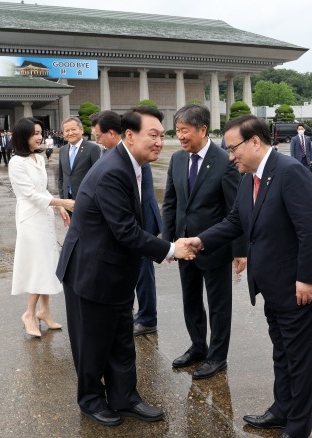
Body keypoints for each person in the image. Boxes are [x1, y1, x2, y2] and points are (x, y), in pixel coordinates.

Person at [187, 115, 312, 438]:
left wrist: (308, 278)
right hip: (274, 287)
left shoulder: (290, 172)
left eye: (233, 148)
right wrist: (200, 240)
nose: (230, 156)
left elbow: (311, 229)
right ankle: (281, 409)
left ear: (255, 141)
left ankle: (297, 429)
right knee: (282, 354)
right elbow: (234, 223)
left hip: (301, 288)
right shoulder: (249, 177)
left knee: (302, 363)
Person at [56, 106, 196, 427]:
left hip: (115, 271)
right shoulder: (113, 170)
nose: (160, 142)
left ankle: (124, 397)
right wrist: (171, 248)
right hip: (90, 273)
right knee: (93, 343)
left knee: (121, 339)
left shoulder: (133, 163)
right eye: (153, 135)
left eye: (163, 136)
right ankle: (91, 400)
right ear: (130, 136)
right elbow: (126, 230)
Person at [162, 103, 246, 380]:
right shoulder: (177, 159)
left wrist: (240, 251)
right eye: (178, 131)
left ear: (202, 129)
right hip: (185, 246)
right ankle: (198, 346)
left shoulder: (225, 162)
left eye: (185, 131)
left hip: (215, 247)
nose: (181, 136)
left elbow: (236, 211)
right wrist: (169, 244)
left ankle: (217, 356)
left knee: (219, 305)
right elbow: (171, 204)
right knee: (191, 300)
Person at [91, 110, 162, 336]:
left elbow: (140, 199)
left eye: (99, 136)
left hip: (140, 221)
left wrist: (168, 249)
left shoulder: (138, 157)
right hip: (128, 223)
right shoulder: (112, 156)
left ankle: (148, 317)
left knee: (142, 270)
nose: (98, 140)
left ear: (114, 133)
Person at [8, 117, 75, 338]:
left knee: (47, 264)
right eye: (34, 133)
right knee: (38, 266)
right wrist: (62, 202)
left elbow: (42, 189)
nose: (39, 137)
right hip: (30, 220)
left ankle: (44, 311)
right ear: (22, 136)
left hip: (44, 216)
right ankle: (29, 313)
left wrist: (58, 208)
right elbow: (29, 194)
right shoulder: (16, 163)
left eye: (40, 132)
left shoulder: (38, 159)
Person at [57, 116, 101, 203]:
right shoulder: (63, 150)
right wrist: (62, 198)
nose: (70, 133)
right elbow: (61, 177)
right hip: (67, 200)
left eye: (73, 129)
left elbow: (97, 177)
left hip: (86, 199)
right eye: (67, 131)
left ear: (81, 130)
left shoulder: (93, 149)